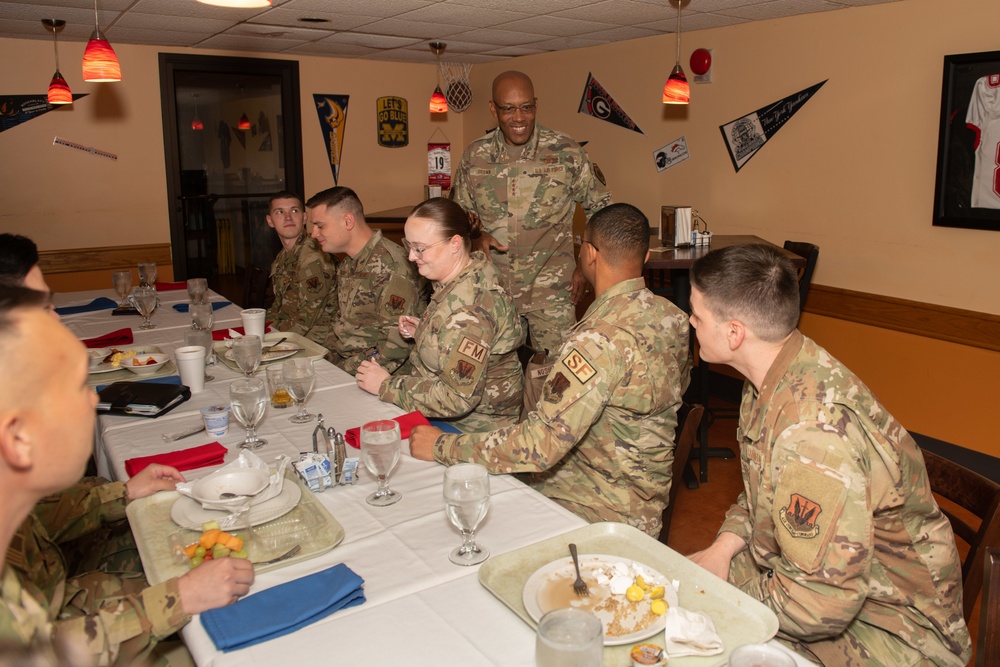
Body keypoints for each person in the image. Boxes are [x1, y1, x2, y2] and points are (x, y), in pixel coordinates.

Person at [685, 244, 971, 666]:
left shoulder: (811, 434)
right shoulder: (771, 372)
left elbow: (817, 604)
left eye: (696, 314)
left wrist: (725, 598)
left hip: (895, 628)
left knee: (703, 635)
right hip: (824, 579)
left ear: (733, 333)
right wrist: (722, 550)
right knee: (682, 587)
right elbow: (760, 490)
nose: (689, 322)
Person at [0, 285, 254, 665]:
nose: (92, 399)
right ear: (18, 437)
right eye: (72, 389)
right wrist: (177, 599)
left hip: (58, 586)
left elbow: (39, 519)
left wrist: (122, 493)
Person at [409, 204, 690, 537]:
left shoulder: (597, 340)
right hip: (638, 496)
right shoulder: (672, 317)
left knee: (453, 521)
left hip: (593, 507)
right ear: (644, 258)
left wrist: (442, 446)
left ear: (588, 254)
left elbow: (539, 446)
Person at [450, 70, 612, 360]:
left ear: (536, 105)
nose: (519, 118)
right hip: (491, 289)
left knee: (556, 378)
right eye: (508, 109)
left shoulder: (566, 152)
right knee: (492, 377)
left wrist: (584, 267)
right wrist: (475, 235)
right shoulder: (476, 156)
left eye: (526, 107)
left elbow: (601, 209)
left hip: (551, 292)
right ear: (493, 109)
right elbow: (458, 215)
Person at [357, 198, 524, 432]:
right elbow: (455, 334)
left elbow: (457, 399)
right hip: (446, 415)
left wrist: (386, 385)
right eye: (409, 245)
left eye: (420, 248)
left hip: (472, 431)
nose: (411, 256)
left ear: (455, 243)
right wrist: (427, 331)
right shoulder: (465, 273)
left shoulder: (470, 309)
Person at [308, 186, 425, 375]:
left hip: (379, 375)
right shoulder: (348, 264)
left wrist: (340, 370)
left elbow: (394, 347)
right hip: (348, 364)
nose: (314, 234)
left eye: (320, 226)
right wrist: (324, 360)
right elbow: (340, 325)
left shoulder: (390, 266)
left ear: (348, 221)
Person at [264, 191, 338, 344]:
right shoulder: (283, 257)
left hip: (318, 342)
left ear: (304, 218)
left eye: (294, 210)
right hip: (292, 334)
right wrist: (262, 330)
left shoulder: (313, 256)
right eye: (280, 212)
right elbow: (278, 307)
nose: (288, 217)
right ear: (270, 221)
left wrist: (272, 343)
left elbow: (306, 319)